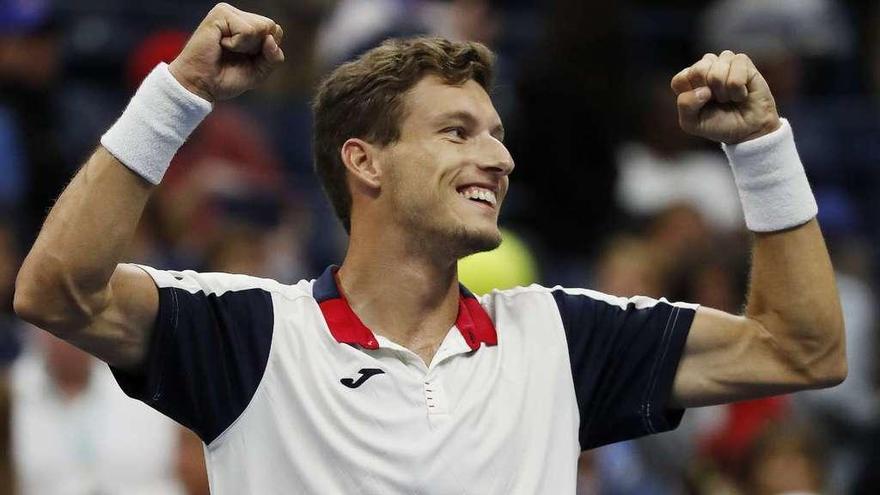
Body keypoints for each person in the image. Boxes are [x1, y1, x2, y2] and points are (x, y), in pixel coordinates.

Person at [13, 3, 846, 494]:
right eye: (457, 131)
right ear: (364, 161)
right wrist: (177, 96)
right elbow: (57, 292)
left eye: (497, 134)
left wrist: (763, 148)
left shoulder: (559, 337)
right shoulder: (257, 333)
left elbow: (801, 348)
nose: (498, 157)